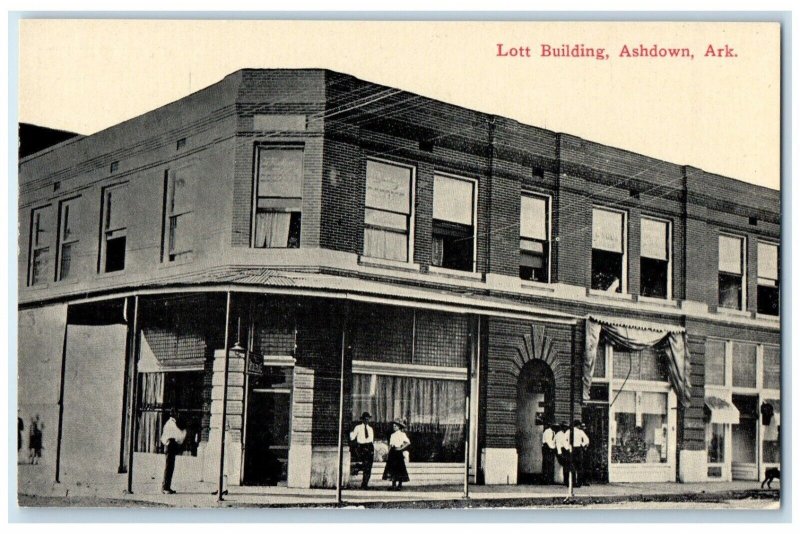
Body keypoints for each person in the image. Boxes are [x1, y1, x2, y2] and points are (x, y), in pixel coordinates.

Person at [160, 408, 186, 494]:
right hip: (170, 446)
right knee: (169, 467)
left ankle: (167, 487)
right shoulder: (171, 423)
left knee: (170, 467)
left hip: (169, 446)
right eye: (176, 413)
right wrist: (184, 433)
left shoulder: (170, 423)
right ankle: (165, 487)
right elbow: (179, 435)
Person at [349, 411, 375, 489]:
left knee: (369, 466)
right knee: (365, 464)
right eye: (365, 419)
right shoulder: (358, 427)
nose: (367, 421)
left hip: (369, 446)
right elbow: (352, 437)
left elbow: (371, 439)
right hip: (362, 447)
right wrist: (350, 432)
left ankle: (365, 484)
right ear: (362, 419)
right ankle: (358, 467)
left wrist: (371, 448)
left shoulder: (370, 429)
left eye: (368, 419)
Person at [382, 419, 410, 490]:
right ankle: (393, 485)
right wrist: (388, 453)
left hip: (398, 452)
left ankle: (399, 485)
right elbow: (390, 445)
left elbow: (408, 442)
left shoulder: (402, 434)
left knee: (400, 468)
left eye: (395, 426)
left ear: (399, 427)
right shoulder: (392, 435)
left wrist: (401, 448)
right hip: (392, 452)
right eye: (393, 426)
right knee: (392, 468)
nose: (394, 427)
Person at [571, 420, 590, 487]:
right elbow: (587, 440)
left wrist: (568, 447)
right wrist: (582, 444)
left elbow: (565, 440)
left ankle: (573, 482)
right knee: (579, 466)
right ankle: (579, 483)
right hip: (579, 449)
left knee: (572, 466)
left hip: (572, 449)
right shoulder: (580, 432)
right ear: (578, 425)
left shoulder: (569, 431)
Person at [554, 421, 572, 486]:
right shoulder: (560, 434)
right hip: (562, 451)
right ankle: (566, 481)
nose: (566, 429)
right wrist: (560, 453)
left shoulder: (561, 434)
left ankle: (566, 481)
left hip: (562, 451)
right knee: (567, 466)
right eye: (566, 427)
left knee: (566, 466)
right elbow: (560, 444)